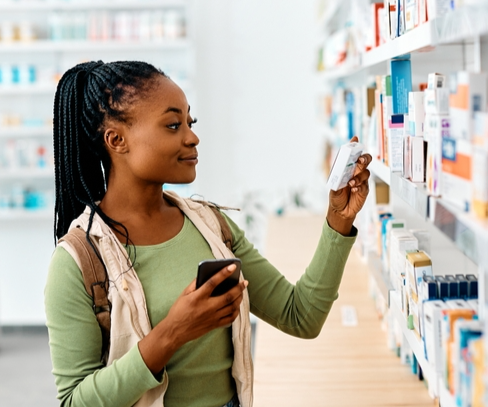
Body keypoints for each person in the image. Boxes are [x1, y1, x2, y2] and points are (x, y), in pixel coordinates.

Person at [44, 61, 372, 407]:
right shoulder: (77, 262)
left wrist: (338, 217)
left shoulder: (211, 226)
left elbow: (300, 315)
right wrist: (171, 333)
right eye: (173, 125)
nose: (192, 136)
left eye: (190, 122)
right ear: (117, 140)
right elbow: (73, 402)